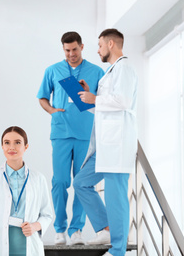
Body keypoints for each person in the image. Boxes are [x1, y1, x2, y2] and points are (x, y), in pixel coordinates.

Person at [74, 28, 138, 256]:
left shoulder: (125, 68)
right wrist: (88, 97)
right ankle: (105, 227)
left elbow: (124, 101)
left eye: (100, 45)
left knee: (116, 197)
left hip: (117, 146)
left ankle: (118, 250)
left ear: (111, 44)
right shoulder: (110, 73)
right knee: (81, 182)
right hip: (104, 146)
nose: (98, 50)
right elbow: (104, 109)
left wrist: (96, 99)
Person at [37, 32, 104, 245]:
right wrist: (53, 111)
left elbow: (103, 100)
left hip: (86, 134)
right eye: (67, 50)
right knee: (60, 182)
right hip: (61, 133)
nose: (71, 54)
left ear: (82, 47)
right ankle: (60, 229)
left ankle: (77, 230)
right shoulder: (53, 70)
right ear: (63, 49)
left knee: (82, 184)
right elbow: (42, 97)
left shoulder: (96, 71)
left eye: (75, 49)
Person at [0, 126, 53, 256]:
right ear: (2, 146)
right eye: (7, 143)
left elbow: (47, 215)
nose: (11, 147)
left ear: (26, 146)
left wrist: (35, 226)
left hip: (29, 244)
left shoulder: (38, 178)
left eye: (17, 142)